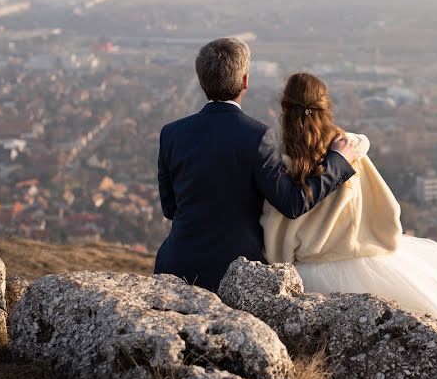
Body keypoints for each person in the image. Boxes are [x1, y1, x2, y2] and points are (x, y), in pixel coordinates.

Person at [261, 72, 437, 356]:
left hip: (307, 277)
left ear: (284, 109)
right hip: (360, 264)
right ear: (326, 107)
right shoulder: (350, 151)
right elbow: (386, 208)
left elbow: (277, 233)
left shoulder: (279, 165)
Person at [154, 38, 360, 292]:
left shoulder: (172, 134)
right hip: (233, 273)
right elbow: (293, 203)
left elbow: (170, 207)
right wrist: (337, 162)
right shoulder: (258, 137)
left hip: (175, 265)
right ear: (244, 81)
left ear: (202, 81)